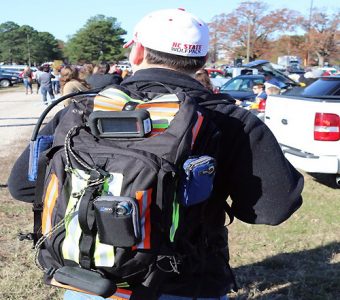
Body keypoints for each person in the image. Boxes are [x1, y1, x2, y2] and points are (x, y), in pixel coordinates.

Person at [8, 8, 303, 300]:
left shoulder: (79, 110)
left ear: (137, 53)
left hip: (87, 279)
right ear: (204, 60)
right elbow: (272, 210)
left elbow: (23, 186)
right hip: (187, 283)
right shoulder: (231, 119)